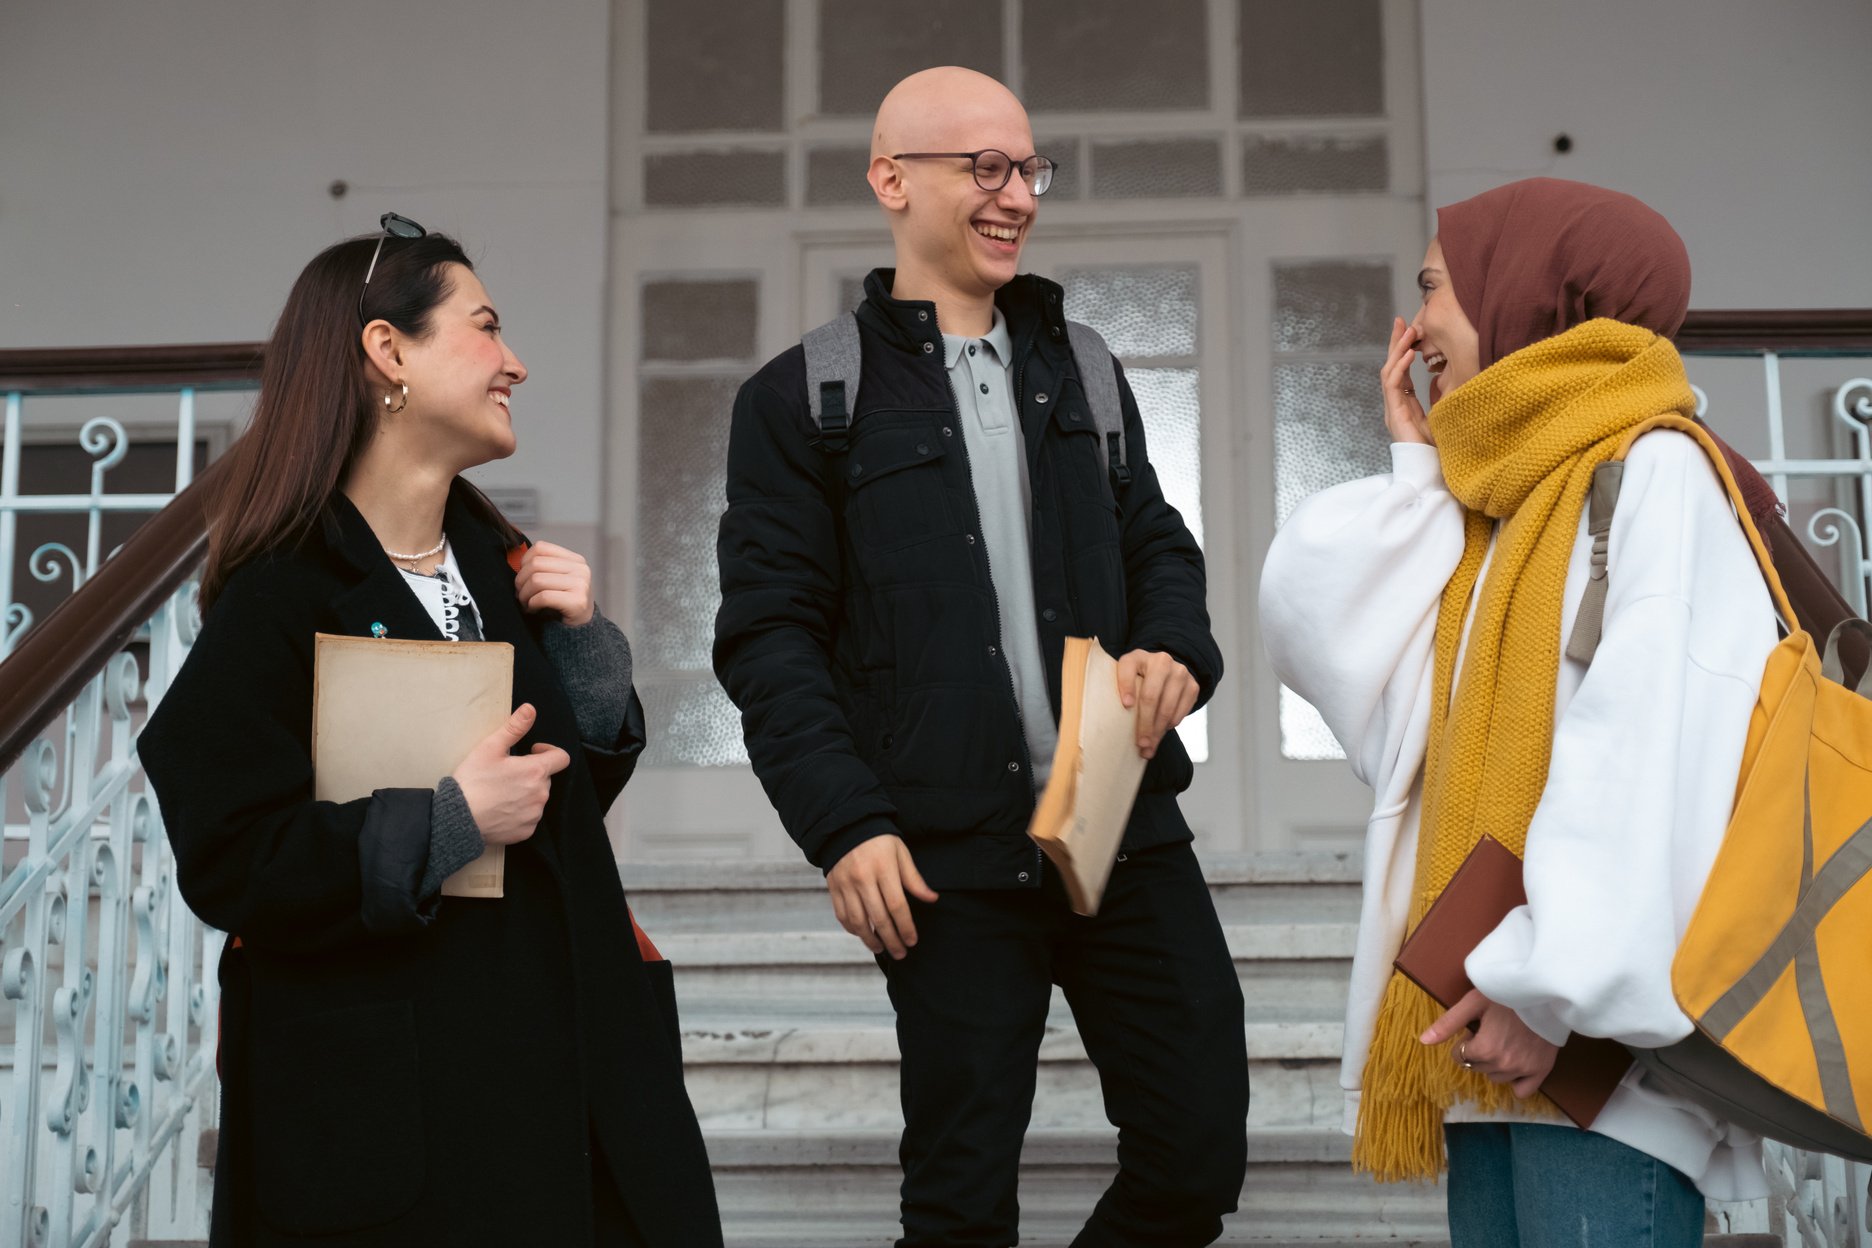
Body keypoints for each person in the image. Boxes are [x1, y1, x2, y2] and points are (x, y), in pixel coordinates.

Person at [713, 67, 1248, 1247]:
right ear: (892, 180)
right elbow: (769, 635)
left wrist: (1173, 649)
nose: (1017, 197)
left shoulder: (1089, 371)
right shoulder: (805, 400)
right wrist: (845, 821)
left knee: (1197, 1147)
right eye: (985, 169)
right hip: (944, 856)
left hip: (1118, 826)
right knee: (959, 1201)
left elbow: (1158, 544)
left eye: (1029, 170)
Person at [140, 216, 722, 1248]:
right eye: (487, 327)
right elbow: (233, 856)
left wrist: (589, 655)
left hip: (570, 1087)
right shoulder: (281, 593)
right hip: (401, 1118)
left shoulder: (503, 569)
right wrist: (447, 820)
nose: (517, 363)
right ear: (387, 351)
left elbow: (555, 817)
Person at [1259, 178, 1778, 1245]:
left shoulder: (1656, 470)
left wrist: (1550, 991)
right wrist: (1415, 470)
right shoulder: (1501, 500)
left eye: (1437, 288)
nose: (1420, 327)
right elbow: (1364, 687)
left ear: (1527, 290)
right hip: (1493, 1043)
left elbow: (1650, 758)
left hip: (1595, 1063)